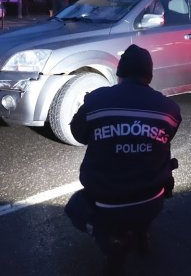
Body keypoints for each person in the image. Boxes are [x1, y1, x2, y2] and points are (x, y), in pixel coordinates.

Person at [65, 44, 182, 275]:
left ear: (119, 74)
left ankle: (109, 240)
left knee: (74, 207)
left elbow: (78, 134)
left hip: (106, 202)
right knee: (159, 162)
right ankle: (141, 231)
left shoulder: (97, 100)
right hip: (153, 199)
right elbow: (166, 138)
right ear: (149, 75)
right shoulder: (170, 109)